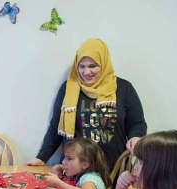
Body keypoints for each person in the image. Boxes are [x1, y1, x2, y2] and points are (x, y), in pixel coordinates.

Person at [25, 38, 147, 170]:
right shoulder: (68, 88)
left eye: (92, 66)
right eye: (81, 66)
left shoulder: (124, 88)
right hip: (74, 170)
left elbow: (136, 123)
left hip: (112, 169)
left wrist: (136, 137)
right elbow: (57, 127)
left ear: (104, 63)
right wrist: (42, 157)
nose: (86, 72)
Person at [44, 138, 112, 189]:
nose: (63, 162)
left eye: (69, 159)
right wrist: (57, 169)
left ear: (85, 164)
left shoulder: (90, 178)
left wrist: (57, 182)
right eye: (64, 157)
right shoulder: (79, 170)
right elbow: (59, 166)